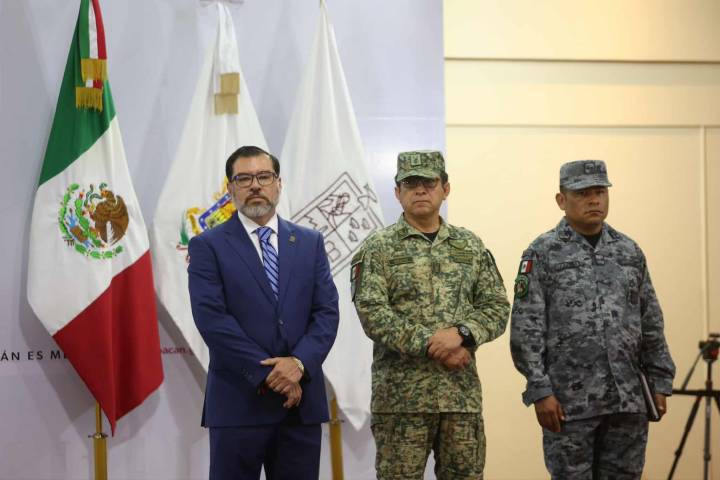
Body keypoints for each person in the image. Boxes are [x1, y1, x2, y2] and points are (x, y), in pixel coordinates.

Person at [510, 159, 676, 479]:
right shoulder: (542, 252)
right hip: (570, 404)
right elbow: (526, 328)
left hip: (627, 401)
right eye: (582, 193)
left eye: (600, 192)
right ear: (562, 200)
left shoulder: (629, 251)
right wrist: (540, 390)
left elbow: (651, 320)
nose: (594, 200)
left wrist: (660, 380)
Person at [351, 150, 510, 479]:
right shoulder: (377, 247)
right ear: (398, 192)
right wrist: (434, 344)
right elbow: (372, 313)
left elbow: (496, 305)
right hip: (401, 401)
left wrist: (462, 334)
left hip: (460, 397)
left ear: (445, 189)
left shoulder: (470, 246)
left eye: (429, 182)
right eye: (410, 184)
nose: (420, 190)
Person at [187, 145, 339, 480]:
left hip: (300, 406)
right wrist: (271, 374)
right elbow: (212, 320)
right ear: (230, 189)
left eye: (264, 176)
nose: (255, 185)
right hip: (239, 404)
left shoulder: (310, 242)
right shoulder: (207, 246)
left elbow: (326, 313)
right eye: (244, 179)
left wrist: (298, 364)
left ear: (278, 183)